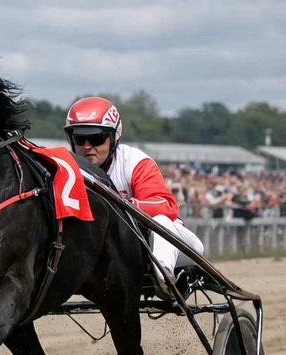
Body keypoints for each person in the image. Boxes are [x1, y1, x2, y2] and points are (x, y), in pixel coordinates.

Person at [65, 97, 205, 283]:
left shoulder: (135, 161)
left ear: (114, 137)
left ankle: (165, 278)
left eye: (97, 138)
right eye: (80, 139)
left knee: (160, 220)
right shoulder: (67, 168)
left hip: (172, 243)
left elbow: (166, 206)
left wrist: (119, 205)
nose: (88, 147)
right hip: (117, 250)